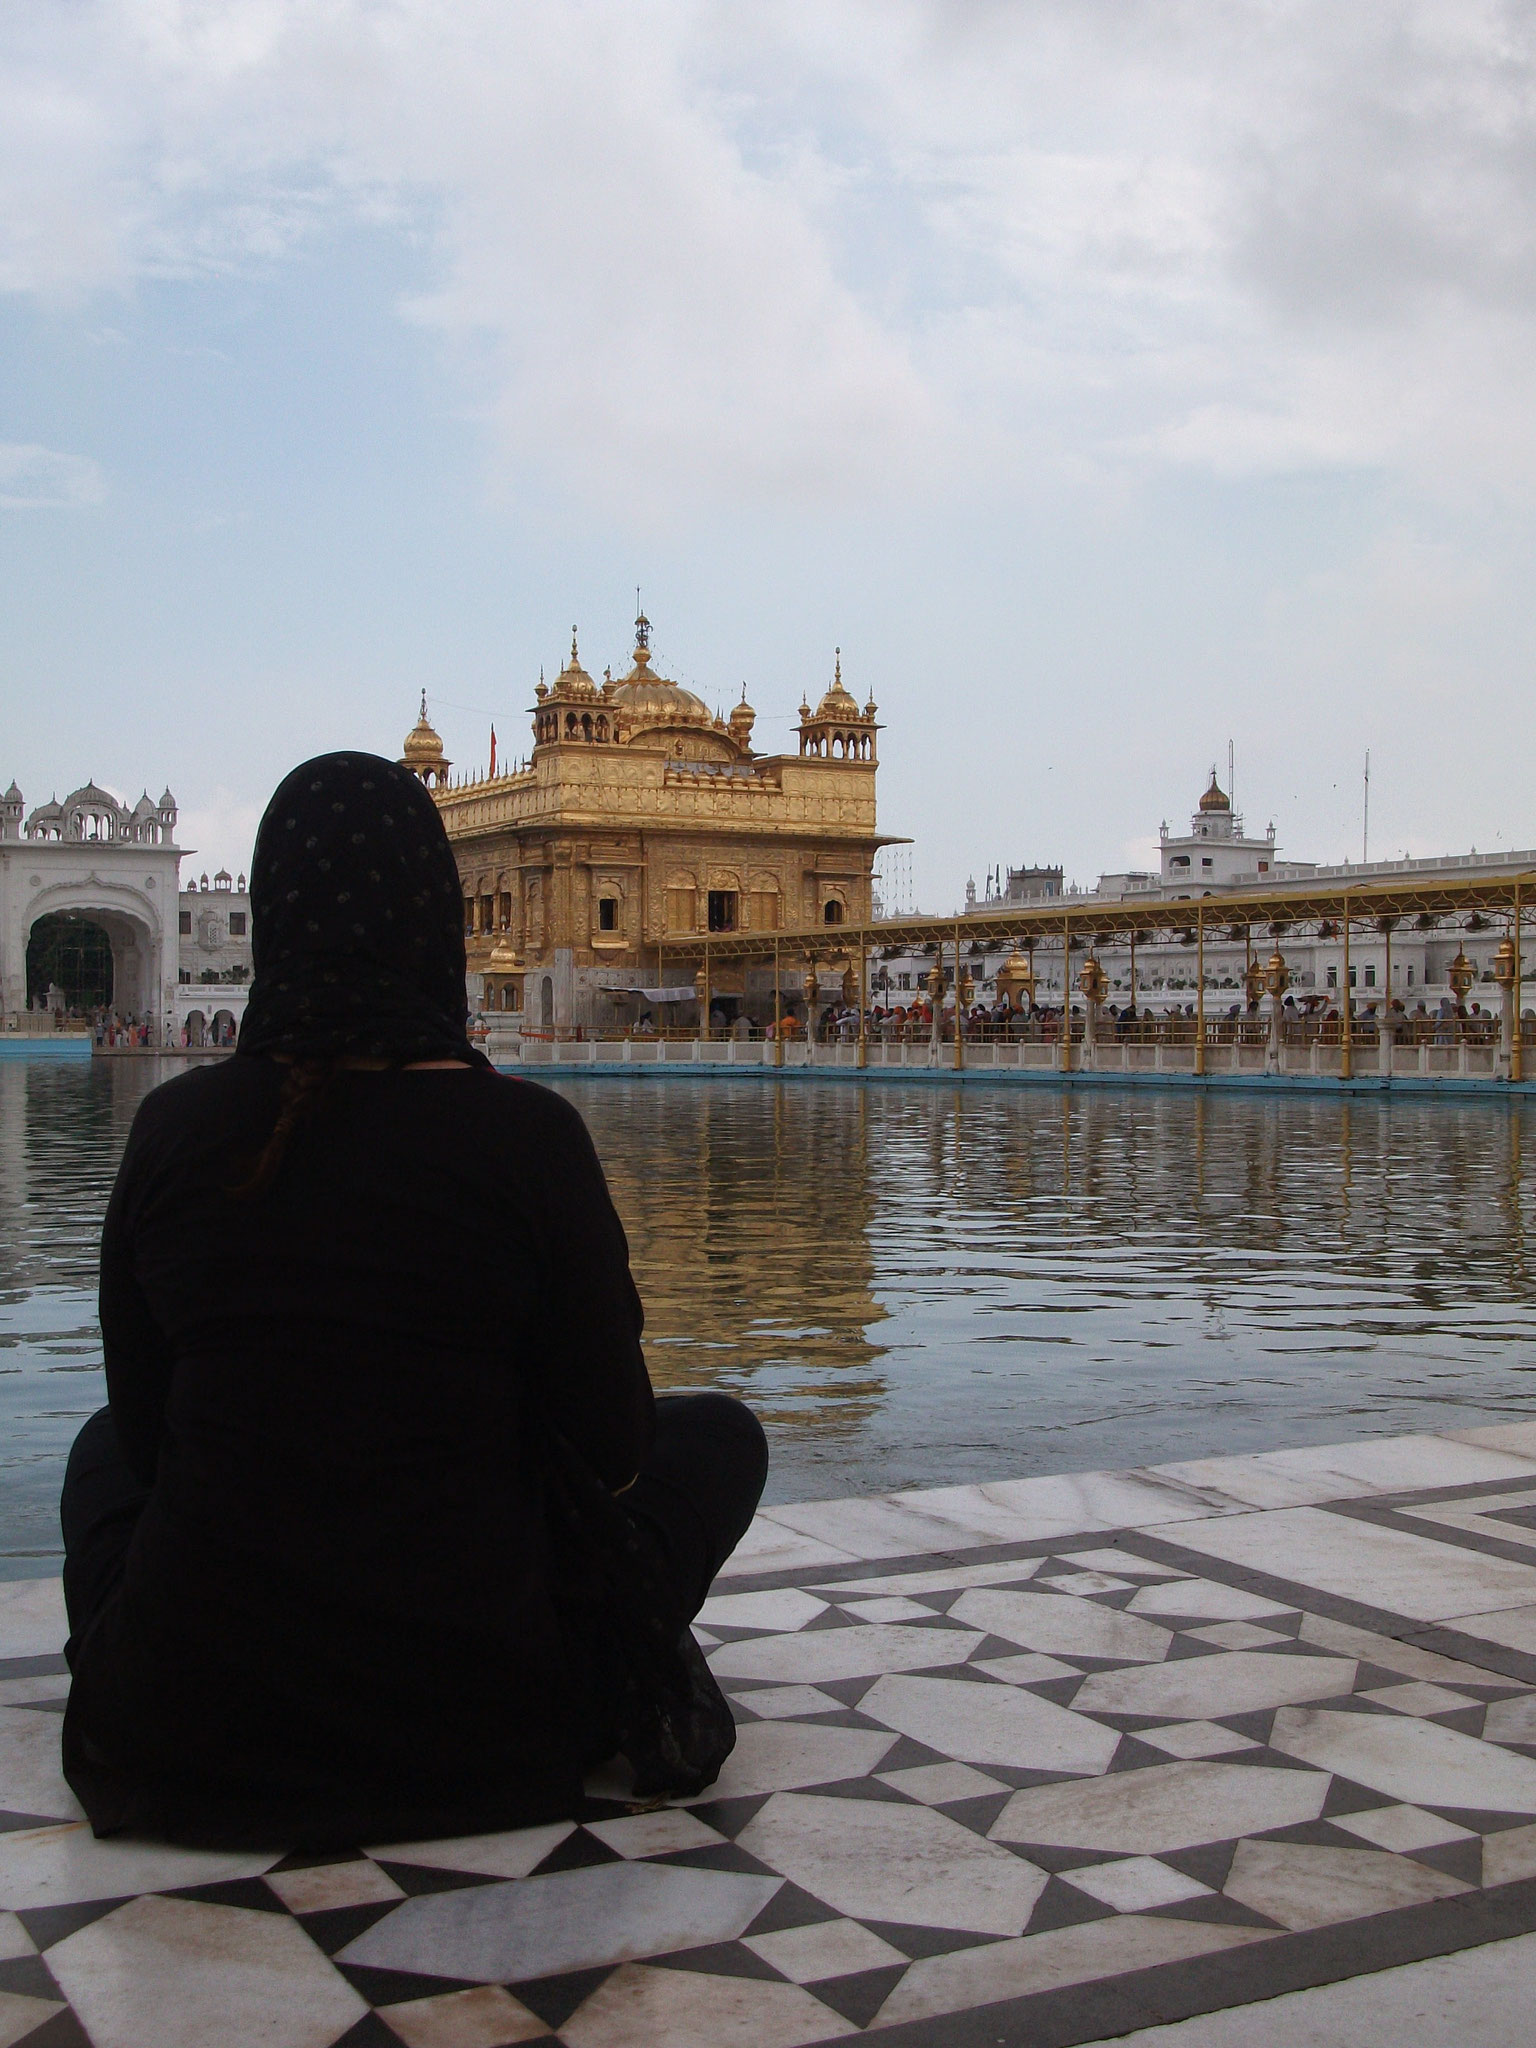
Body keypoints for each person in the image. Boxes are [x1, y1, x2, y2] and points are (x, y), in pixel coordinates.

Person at [60, 752, 767, 1849]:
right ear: (434, 916)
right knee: (718, 1434)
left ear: (283, 917)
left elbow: (150, 1443)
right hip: (492, 1710)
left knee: (99, 1447)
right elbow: (616, 1441)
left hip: (188, 1722)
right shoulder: (524, 1137)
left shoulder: (178, 1130)